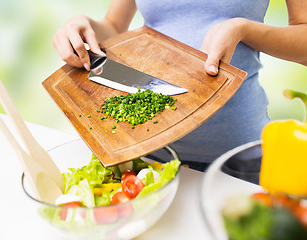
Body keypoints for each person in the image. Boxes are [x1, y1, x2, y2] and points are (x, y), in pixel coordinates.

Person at [52, 0, 307, 171]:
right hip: (147, 151)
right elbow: (114, 27)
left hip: (238, 156)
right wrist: (84, 28)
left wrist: (243, 29)